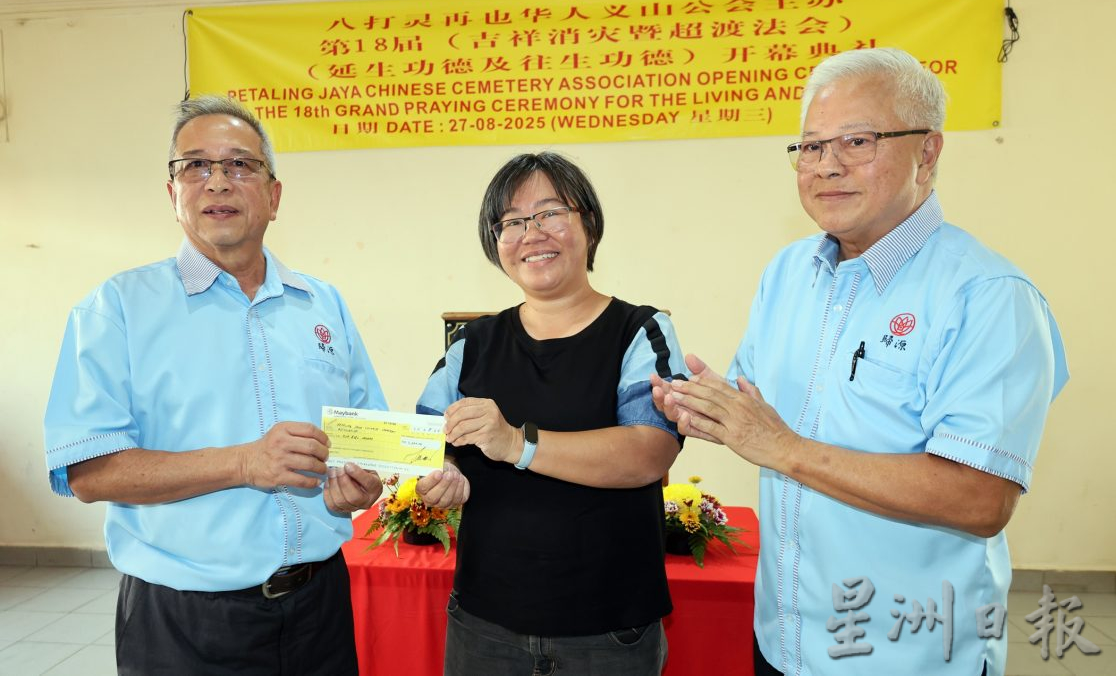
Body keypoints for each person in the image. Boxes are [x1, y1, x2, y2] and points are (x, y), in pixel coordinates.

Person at [652, 48, 1068, 676]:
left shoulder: (987, 297)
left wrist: (784, 447)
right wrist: (702, 406)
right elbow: (757, 409)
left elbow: (981, 499)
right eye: (811, 147)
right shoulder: (789, 273)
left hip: (910, 655)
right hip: (783, 640)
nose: (827, 166)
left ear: (927, 153)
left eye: (857, 141)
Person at [43, 95, 387, 675]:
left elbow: (367, 441)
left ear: (273, 196)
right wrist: (245, 464)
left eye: (239, 166)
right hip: (185, 625)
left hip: (319, 609)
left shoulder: (322, 305)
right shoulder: (116, 309)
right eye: (196, 166)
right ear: (171, 191)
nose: (218, 183)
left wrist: (360, 486)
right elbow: (89, 472)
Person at [413, 152, 687, 675]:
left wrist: (518, 443)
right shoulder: (471, 344)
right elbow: (424, 444)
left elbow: (649, 452)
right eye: (512, 221)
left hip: (609, 630)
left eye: (550, 213)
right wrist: (440, 475)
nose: (532, 233)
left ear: (589, 224)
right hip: (484, 623)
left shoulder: (640, 331)